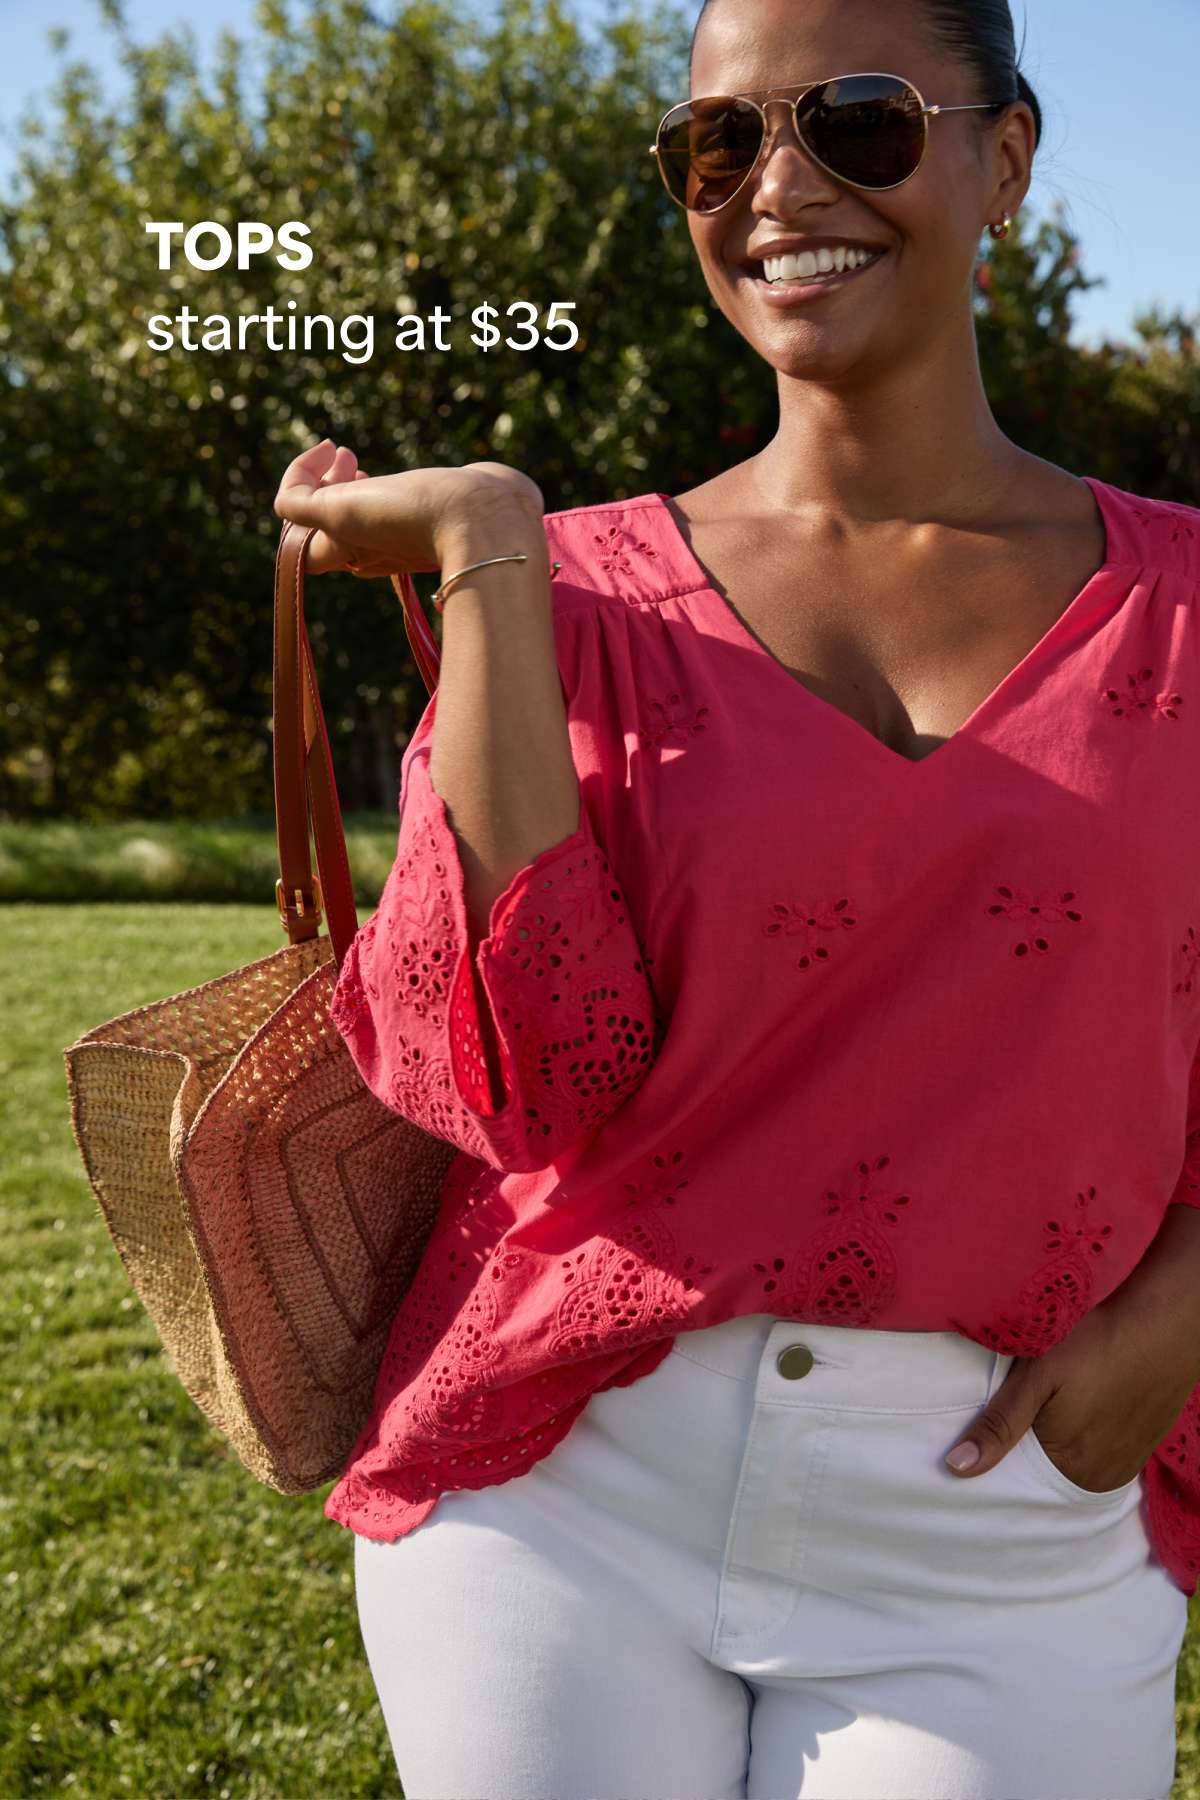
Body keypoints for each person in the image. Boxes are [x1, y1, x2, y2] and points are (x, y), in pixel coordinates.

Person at [270, 1, 1200, 1794]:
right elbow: (529, 1082)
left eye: (858, 121)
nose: (777, 186)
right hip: (559, 1497)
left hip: (1000, 1524)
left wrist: (1189, 1304)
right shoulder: (558, 591)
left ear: (1004, 159)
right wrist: (484, 558)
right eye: (717, 141)